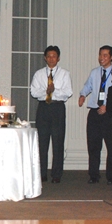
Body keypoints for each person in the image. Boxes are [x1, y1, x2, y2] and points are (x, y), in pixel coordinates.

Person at [30, 45, 73, 183]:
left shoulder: (64, 74)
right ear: (45, 58)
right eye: (49, 56)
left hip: (57, 108)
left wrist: (54, 91)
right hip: (43, 108)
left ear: (58, 58)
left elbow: (68, 92)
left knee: (58, 141)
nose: (51, 59)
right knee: (42, 142)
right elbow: (34, 92)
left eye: (54, 56)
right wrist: (46, 92)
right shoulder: (39, 74)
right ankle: (41, 173)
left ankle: (56, 174)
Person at [78, 45, 112, 184]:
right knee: (93, 145)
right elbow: (88, 86)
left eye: (105, 55)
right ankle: (94, 175)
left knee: (111, 146)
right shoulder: (95, 72)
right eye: (100, 55)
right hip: (95, 112)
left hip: (109, 113)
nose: (102, 58)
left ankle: (111, 176)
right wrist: (82, 95)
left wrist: (107, 106)